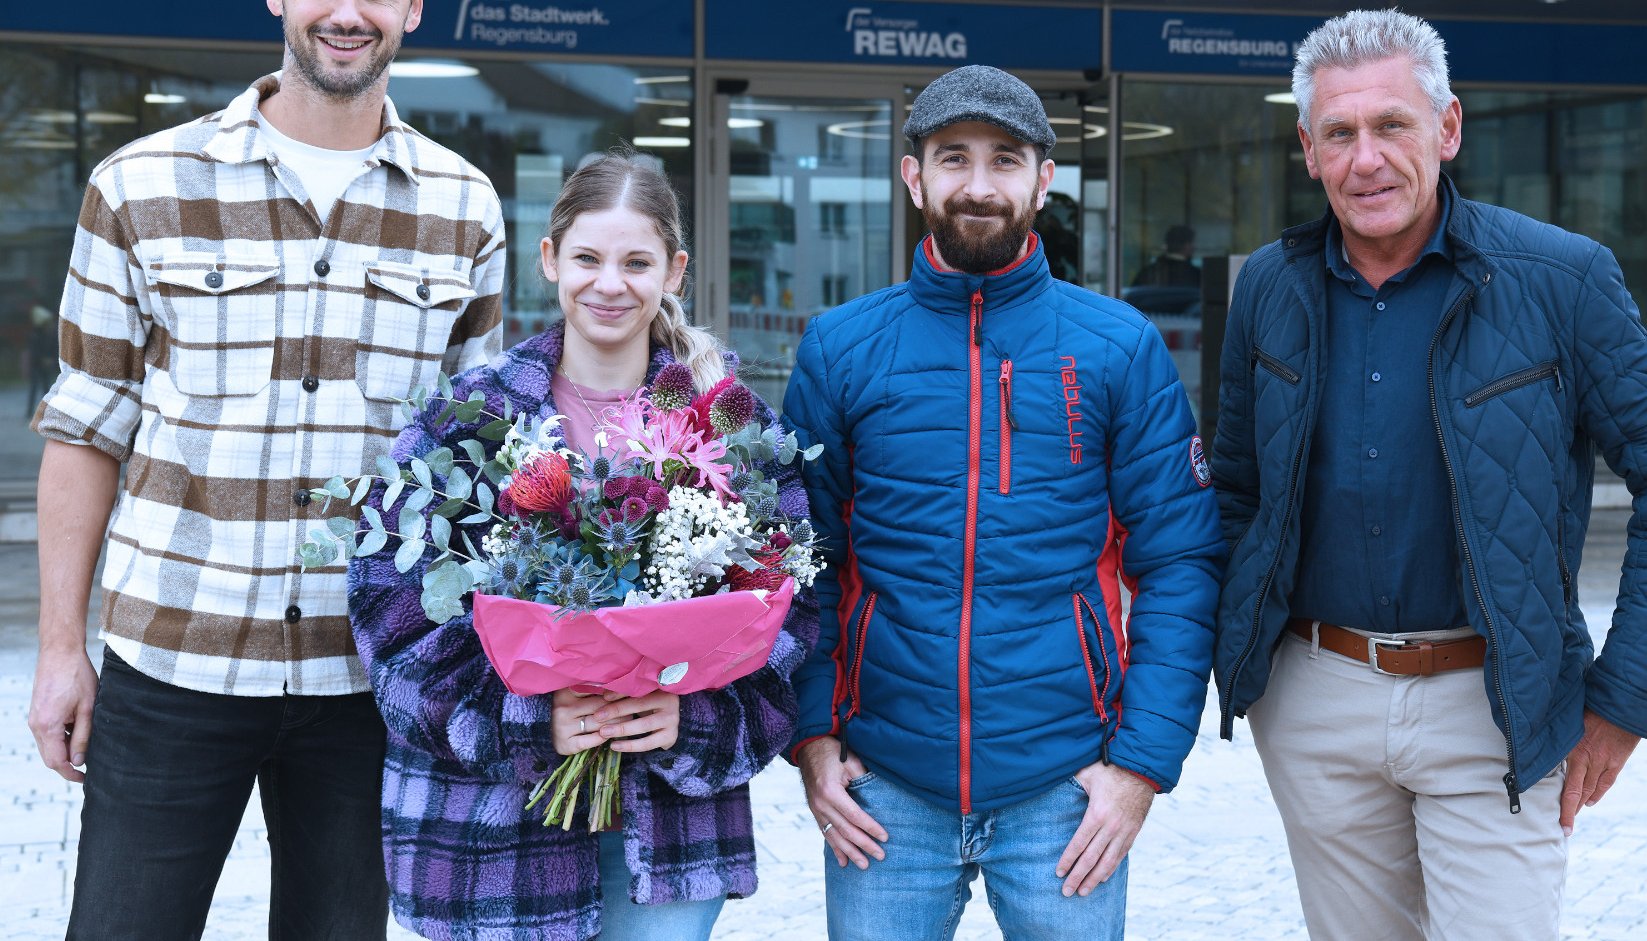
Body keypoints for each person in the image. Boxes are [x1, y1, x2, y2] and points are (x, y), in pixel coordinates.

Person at [27, 0, 505, 939]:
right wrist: (64, 648)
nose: (349, 9)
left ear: (413, 7)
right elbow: (83, 429)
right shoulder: (141, 182)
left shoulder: (463, 206)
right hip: (173, 659)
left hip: (366, 676)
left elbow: (474, 457)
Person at [1210, 9, 1647, 940]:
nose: (1366, 158)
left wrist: (1627, 700)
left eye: (1392, 126)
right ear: (1308, 148)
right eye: (1340, 133)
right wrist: (1239, 665)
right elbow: (1239, 493)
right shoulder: (1269, 288)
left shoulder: (1561, 280)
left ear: (1447, 129)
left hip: (1497, 709)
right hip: (1317, 699)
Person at [781, 65, 1223, 941]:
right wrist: (812, 740)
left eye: (1005, 160)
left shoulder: (1118, 347)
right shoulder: (841, 348)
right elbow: (803, 563)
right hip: (887, 789)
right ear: (915, 178)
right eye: (953, 159)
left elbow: (1180, 562)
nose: (978, 186)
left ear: (1043, 179)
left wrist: (1141, 764)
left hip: (1065, 791)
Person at [347, 151, 819, 941]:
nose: (610, 284)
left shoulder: (731, 429)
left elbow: (793, 628)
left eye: (637, 262)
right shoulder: (467, 419)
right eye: (588, 258)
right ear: (549, 261)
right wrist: (531, 721)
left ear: (674, 271)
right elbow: (388, 625)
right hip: (489, 837)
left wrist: (689, 719)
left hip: (669, 836)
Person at [1130, 225, 1203, 289]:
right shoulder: (1194, 275)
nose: (1193, 247)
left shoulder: (1148, 272)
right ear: (1187, 245)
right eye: (1192, 243)